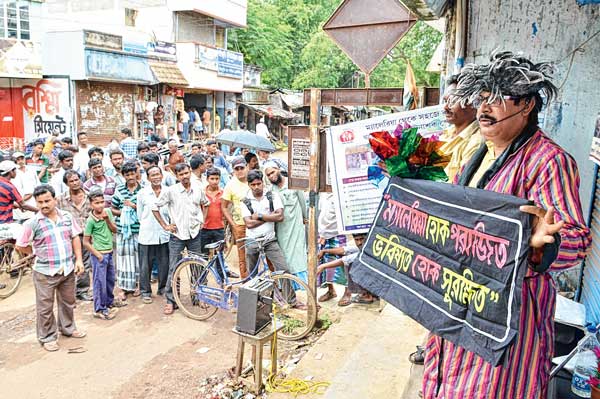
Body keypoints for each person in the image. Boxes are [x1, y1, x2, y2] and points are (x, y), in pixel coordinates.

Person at [421, 51, 591, 399]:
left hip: (509, 320)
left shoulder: (548, 161)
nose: (485, 108)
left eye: (497, 99)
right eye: (482, 98)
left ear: (526, 105)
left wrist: (541, 242)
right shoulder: (479, 154)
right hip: (460, 305)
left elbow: (575, 236)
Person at [16, 185, 87, 352]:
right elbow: (21, 245)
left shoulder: (67, 217)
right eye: (39, 202)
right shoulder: (32, 223)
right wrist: (35, 253)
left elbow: (75, 237)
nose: (43, 205)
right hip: (44, 272)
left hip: (67, 268)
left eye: (47, 201)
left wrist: (79, 260)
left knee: (68, 302)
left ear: (55, 199)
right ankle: (47, 337)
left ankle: (68, 328)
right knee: (45, 307)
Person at [152, 163, 209, 315]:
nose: (184, 176)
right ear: (176, 176)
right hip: (177, 235)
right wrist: (165, 225)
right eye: (181, 174)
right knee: (174, 268)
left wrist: (202, 220)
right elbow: (155, 207)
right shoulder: (171, 191)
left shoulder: (198, 188)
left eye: (186, 173)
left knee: (197, 266)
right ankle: (171, 301)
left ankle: (199, 296)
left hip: (194, 234)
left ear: (190, 172)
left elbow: (206, 204)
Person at [241, 170, 302, 307]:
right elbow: (249, 224)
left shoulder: (272, 195)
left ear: (263, 182)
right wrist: (269, 216)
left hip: (269, 240)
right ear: (249, 185)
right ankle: (253, 303)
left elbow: (280, 217)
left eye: (258, 183)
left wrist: (260, 216)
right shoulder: (245, 201)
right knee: (252, 274)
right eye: (253, 185)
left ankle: (291, 301)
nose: (256, 187)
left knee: (283, 269)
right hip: (252, 241)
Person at [265, 162, 308, 281]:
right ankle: (290, 285)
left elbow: (303, 203)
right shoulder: (270, 191)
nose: (271, 176)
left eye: (272, 172)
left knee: (299, 255)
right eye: (268, 175)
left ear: (278, 169)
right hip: (282, 229)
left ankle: (303, 285)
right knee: (285, 256)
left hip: (296, 226)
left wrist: (305, 218)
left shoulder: (293, 183)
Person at [57, 170, 93, 302]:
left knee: (85, 263)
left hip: (87, 236)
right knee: (68, 263)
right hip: (68, 236)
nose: (75, 183)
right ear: (67, 184)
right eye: (71, 181)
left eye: (77, 179)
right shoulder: (61, 199)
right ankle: (69, 291)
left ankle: (82, 290)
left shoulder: (89, 196)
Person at [83, 190, 118, 320]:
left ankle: (108, 302)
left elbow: (114, 230)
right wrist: (98, 255)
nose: (100, 205)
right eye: (96, 203)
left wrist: (107, 219)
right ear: (91, 205)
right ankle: (99, 309)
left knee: (110, 280)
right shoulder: (90, 220)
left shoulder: (107, 212)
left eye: (102, 202)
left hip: (109, 251)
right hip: (100, 255)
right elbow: (85, 242)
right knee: (99, 282)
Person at [137, 166, 170, 303]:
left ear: (162, 176)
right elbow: (140, 215)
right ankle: (145, 291)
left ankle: (162, 288)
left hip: (165, 234)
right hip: (147, 234)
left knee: (164, 263)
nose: (156, 177)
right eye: (152, 175)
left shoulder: (169, 192)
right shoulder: (142, 193)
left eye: (158, 174)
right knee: (145, 265)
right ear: (148, 178)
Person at [440, 74, 482, 180]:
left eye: (453, 101)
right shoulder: (445, 134)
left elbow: (460, 185)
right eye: (445, 101)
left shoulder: (477, 141)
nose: (445, 107)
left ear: (473, 103)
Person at [111, 162, 142, 302]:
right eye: (127, 174)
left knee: (138, 258)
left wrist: (133, 206)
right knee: (123, 259)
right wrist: (124, 211)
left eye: (132, 173)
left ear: (136, 173)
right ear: (123, 176)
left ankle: (137, 285)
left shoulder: (143, 190)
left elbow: (145, 210)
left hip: (138, 230)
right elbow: (113, 209)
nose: (130, 177)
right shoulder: (119, 190)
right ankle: (123, 288)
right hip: (123, 231)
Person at [317, 233, 375, 304]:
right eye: (356, 240)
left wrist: (323, 266)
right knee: (348, 255)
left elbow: (346, 259)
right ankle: (368, 293)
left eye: (362, 239)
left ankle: (366, 296)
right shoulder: (363, 246)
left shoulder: (369, 248)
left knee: (350, 263)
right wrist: (324, 251)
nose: (359, 242)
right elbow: (344, 250)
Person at [317, 192, 350, 306]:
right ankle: (331, 290)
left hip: (338, 233)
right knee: (325, 262)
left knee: (343, 264)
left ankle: (348, 292)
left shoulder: (341, 192)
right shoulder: (323, 193)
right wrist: (322, 234)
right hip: (324, 235)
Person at [222, 157, 250, 278]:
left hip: (256, 224)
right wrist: (233, 224)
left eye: (242, 168)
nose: (240, 171)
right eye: (236, 169)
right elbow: (224, 207)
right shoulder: (230, 185)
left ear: (247, 167)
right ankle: (245, 282)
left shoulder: (254, 180)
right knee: (242, 256)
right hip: (240, 225)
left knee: (260, 253)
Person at [0, 160, 37, 239]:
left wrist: (17, 206)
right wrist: (38, 210)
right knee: (25, 236)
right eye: (15, 170)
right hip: (4, 221)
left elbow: (4, 200)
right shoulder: (9, 187)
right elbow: (24, 205)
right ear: (11, 172)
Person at [201, 167, 225, 254]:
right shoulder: (202, 193)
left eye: (217, 179)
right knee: (204, 254)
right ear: (207, 179)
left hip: (219, 228)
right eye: (212, 179)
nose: (214, 181)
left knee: (219, 255)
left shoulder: (223, 193)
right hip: (204, 228)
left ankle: (218, 268)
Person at [12, 151, 39, 223]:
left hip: (32, 204)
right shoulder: (13, 173)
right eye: (18, 159)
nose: (20, 161)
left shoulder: (32, 170)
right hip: (18, 206)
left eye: (22, 159)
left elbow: (37, 186)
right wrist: (19, 204)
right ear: (14, 161)